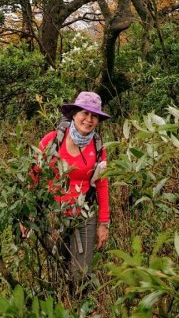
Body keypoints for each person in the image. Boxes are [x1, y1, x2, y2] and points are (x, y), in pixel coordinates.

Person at [38, 91, 111, 285]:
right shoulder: (52, 140)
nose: (89, 119)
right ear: (74, 114)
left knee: (81, 274)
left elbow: (102, 183)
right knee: (57, 262)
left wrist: (104, 223)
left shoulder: (98, 146)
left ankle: (77, 303)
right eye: (84, 113)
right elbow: (33, 174)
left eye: (94, 115)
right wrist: (26, 215)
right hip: (54, 213)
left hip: (84, 213)